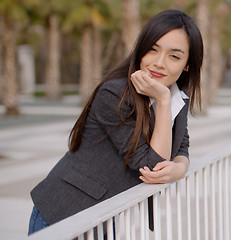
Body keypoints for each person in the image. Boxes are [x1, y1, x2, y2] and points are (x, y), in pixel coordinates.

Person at [28, 9, 203, 235]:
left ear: (187, 64)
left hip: (103, 218)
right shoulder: (115, 93)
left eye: (174, 56)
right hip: (65, 212)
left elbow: (182, 147)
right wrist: (162, 99)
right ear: (141, 50)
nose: (159, 63)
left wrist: (179, 169)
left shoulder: (176, 96)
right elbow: (152, 166)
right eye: (153, 49)